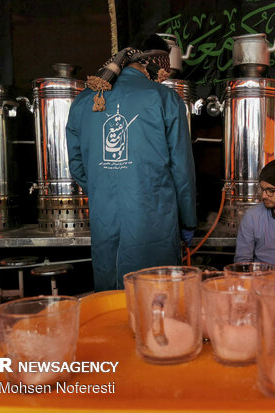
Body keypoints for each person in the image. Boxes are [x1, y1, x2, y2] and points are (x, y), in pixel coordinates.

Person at [66, 34, 197, 291]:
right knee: (154, 303)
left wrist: (105, 188)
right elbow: (181, 170)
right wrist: (188, 221)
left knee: (111, 301)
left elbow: (77, 164)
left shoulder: (84, 100)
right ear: (155, 62)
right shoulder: (165, 99)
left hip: (104, 218)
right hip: (153, 221)